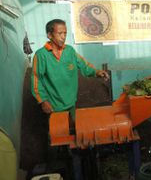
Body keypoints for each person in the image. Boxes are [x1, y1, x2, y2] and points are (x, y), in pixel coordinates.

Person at [31, 19, 109, 180]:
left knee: (74, 139)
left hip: (71, 104)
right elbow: (36, 80)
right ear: (49, 35)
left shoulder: (70, 52)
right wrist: (42, 101)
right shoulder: (41, 55)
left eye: (65, 33)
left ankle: (75, 167)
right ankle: (54, 171)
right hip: (54, 108)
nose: (63, 37)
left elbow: (84, 65)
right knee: (56, 140)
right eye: (60, 33)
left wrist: (96, 72)